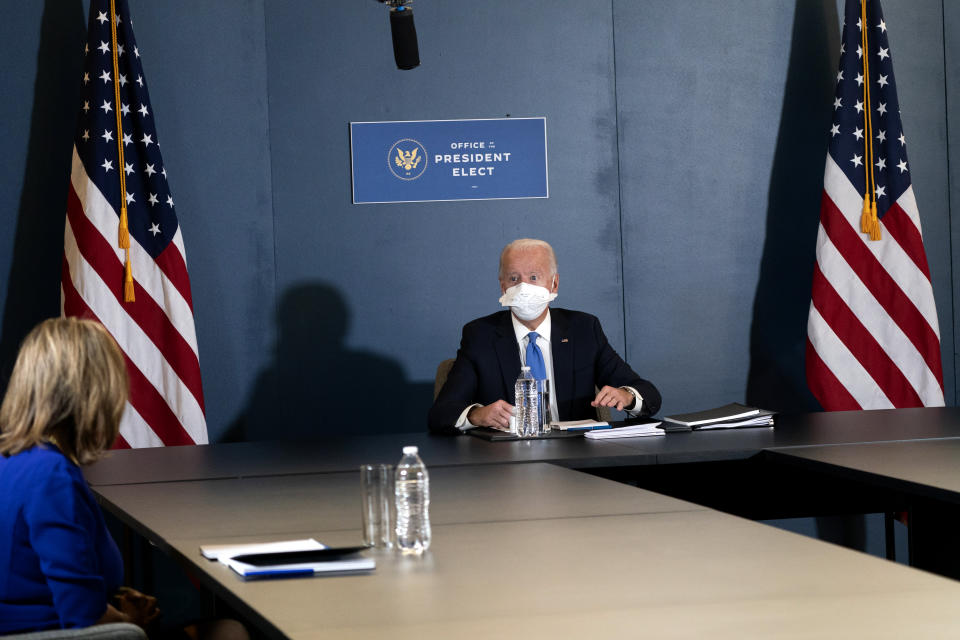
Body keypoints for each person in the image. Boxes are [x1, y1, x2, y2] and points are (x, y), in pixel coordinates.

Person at [0, 318, 245, 640]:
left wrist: (115, 600)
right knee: (228, 631)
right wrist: (128, 623)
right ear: (96, 392)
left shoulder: (13, 457)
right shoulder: (51, 476)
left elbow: (37, 576)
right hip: (51, 634)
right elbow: (81, 615)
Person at [429, 238, 660, 434]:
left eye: (533, 277)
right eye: (513, 279)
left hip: (577, 459)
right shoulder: (480, 335)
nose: (523, 287)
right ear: (502, 287)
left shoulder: (583, 329)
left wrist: (626, 396)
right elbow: (442, 413)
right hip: (507, 464)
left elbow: (649, 395)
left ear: (554, 283)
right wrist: (477, 415)